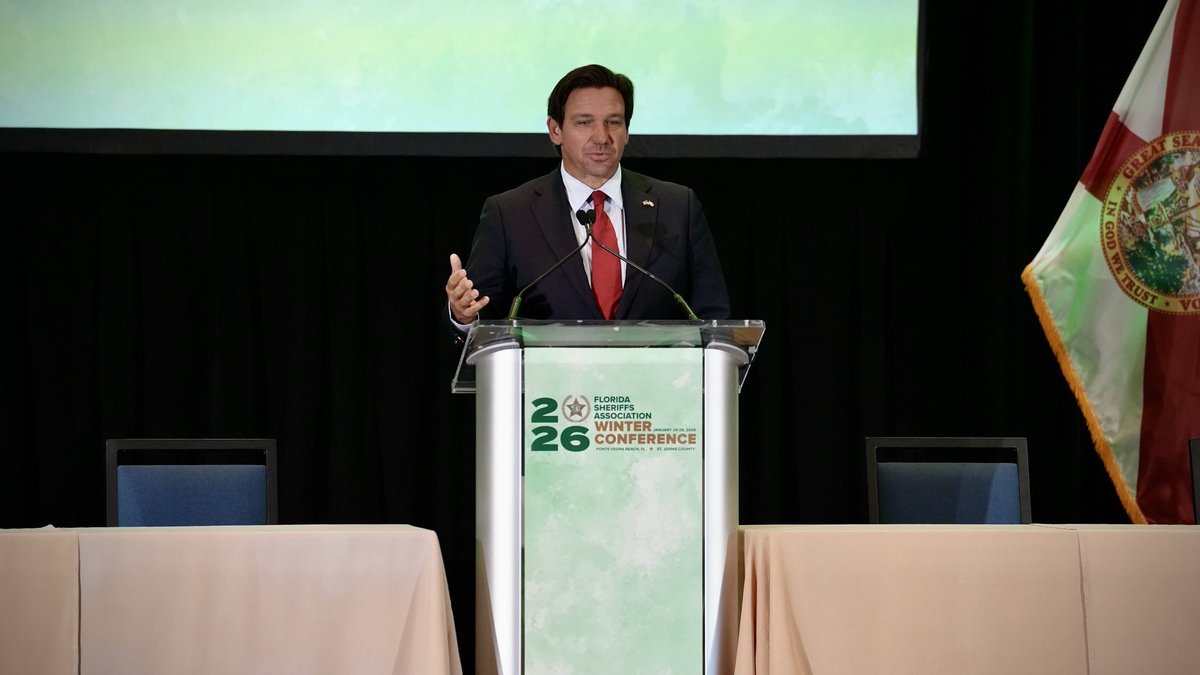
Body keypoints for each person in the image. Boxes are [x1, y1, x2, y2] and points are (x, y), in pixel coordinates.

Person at [444, 64, 730, 340]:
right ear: (555, 130)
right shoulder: (510, 214)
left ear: (627, 131)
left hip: (657, 372)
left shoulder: (677, 206)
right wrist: (464, 317)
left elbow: (713, 318)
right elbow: (484, 318)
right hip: (548, 374)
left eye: (613, 122)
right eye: (584, 122)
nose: (602, 137)